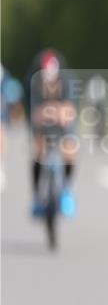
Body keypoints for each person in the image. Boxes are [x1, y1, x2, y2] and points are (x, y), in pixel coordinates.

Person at [25, 49, 78, 217]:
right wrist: (53, 111)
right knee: (38, 151)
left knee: (70, 149)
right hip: (41, 124)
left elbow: (69, 112)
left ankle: (67, 190)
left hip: (62, 124)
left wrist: (54, 111)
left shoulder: (67, 82)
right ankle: (36, 197)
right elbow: (35, 115)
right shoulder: (34, 84)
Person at [1, 63, 25, 191]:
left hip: (2, 110)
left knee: (1, 131)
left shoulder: (4, 73)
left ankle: (1, 166)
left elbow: (11, 96)